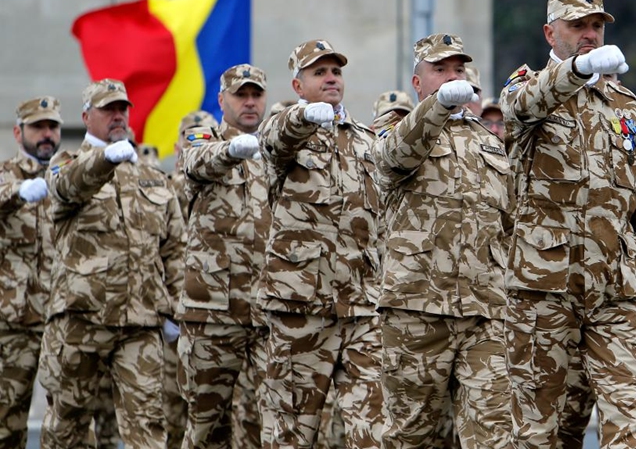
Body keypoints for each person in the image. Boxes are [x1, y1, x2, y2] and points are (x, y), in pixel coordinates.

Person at [499, 0, 636, 448]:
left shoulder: (626, 104)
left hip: (615, 285)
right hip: (545, 285)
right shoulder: (526, 87)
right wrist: (577, 70)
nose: (590, 35)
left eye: (597, 26)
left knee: (631, 415)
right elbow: (520, 109)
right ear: (550, 33)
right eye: (578, 26)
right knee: (540, 425)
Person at [372, 32, 514, 449]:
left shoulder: (490, 142)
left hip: (483, 311)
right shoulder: (399, 130)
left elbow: (506, 218)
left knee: (494, 435)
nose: (453, 77)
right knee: (412, 436)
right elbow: (393, 158)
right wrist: (437, 107)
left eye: (458, 69)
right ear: (418, 83)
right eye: (440, 70)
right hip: (417, 309)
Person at [39, 78, 185, 449]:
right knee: (68, 424)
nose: (118, 115)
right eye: (108, 109)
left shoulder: (153, 176)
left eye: (122, 109)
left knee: (148, 424)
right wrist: (105, 158)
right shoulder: (65, 164)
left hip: (140, 321)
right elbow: (66, 188)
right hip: (81, 318)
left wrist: (177, 307)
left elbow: (174, 247)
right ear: (87, 117)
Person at [257, 39, 384, 449]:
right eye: (319, 72)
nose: (331, 79)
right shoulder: (287, 133)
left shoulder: (365, 140)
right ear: (298, 85)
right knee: (290, 432)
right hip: (301, 309)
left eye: (336, 72)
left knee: (376, 430)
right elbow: (275, 138)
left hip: (361, 307)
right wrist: (304, 118)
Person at [177, 64, 271, 449]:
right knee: (206, 427)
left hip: (267, 310)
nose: (249, 103)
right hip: (213, 311)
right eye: (240, 95)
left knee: (274, 421)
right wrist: (231, 149)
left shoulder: (274, 150)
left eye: (256, 95)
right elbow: (195, 162)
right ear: (221, 100)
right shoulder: (205, 139)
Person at [0, 97, 61, 449]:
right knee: (8, 419)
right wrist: (18, 191)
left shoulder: (69, 178)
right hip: (13, 319)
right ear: (18, 132)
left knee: (69, 418)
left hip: (61, 317)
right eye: (38, 127)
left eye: (52, 126)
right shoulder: (6, 175)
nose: (47, 134)